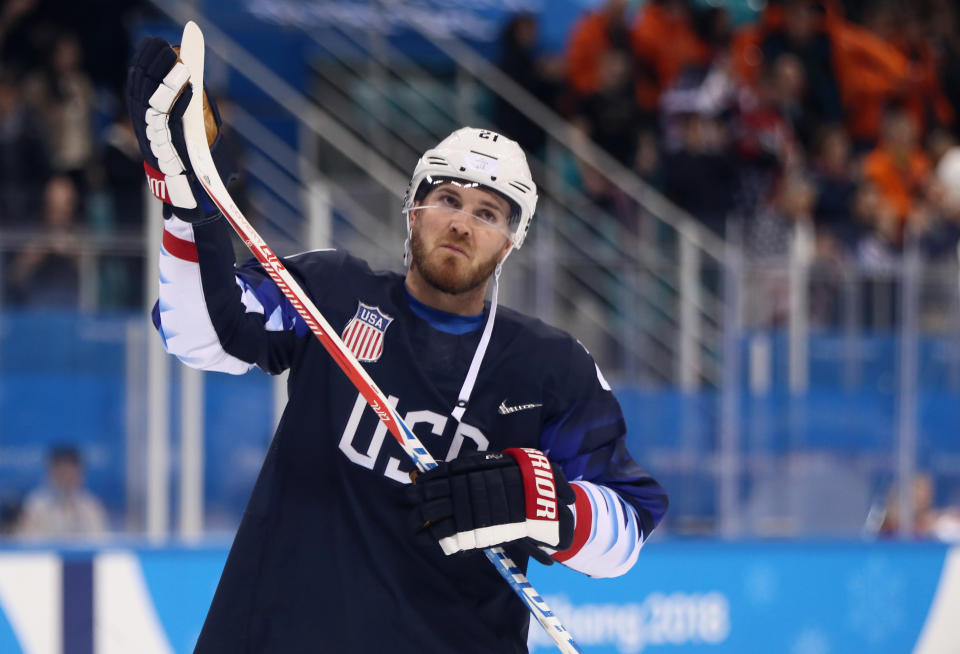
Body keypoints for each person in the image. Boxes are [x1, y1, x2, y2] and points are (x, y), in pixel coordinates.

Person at [127, 37, 668, 653]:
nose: (462, 222)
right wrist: (186, 202)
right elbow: (196, 332)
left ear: (512, 242)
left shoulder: (550, 366)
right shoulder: (332, 291)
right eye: (447, 199)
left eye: (490, 213)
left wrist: (544, 503)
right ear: (414, 210)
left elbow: (627, 531)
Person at [18, 445, 107, 539]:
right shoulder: (35, 505)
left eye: (72, 472)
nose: (67, 478)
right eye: (62, 472)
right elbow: (26, 542)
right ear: (51, 473)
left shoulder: (91, 506)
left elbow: (100, 541)